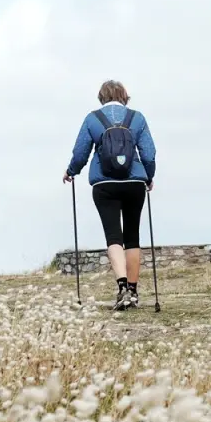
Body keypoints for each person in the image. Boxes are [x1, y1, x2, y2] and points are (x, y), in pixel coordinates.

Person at [63, 80, 157, 311]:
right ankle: (134, 293)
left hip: (105, 184)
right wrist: (149, 176)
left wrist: (71, 171)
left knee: (113, 236)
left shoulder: (93, 119)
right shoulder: (137, 118)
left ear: (101, 97)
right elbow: (149, 153)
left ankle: (122, 288)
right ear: (125, 96)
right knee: (132, 235)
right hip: (135, 181)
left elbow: (80, 152)